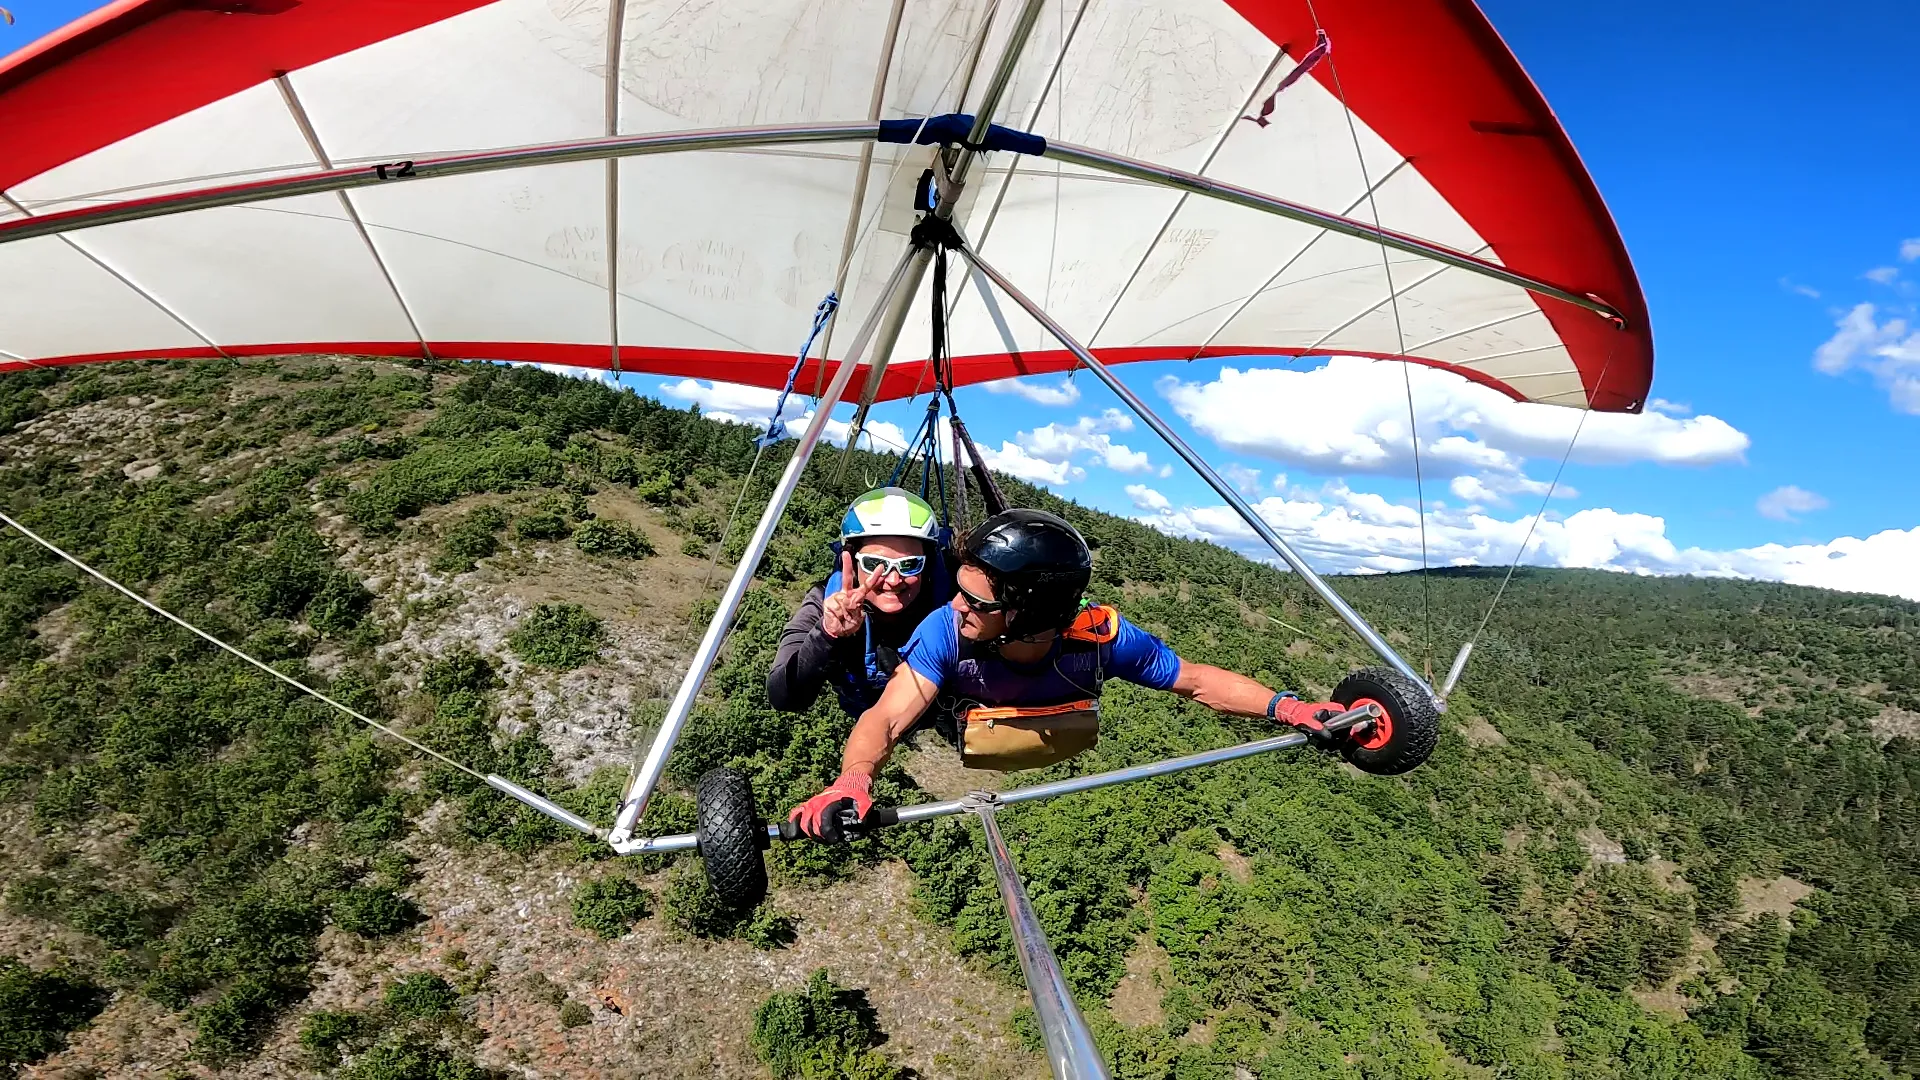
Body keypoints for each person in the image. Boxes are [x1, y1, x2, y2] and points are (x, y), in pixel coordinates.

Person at [788, 508, 1347, 840]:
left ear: (1027, 614)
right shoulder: (945, 629)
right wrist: (853, 780)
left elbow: (1196, 680)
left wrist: (1292, 709)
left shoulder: (1098, 638)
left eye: (975, 603)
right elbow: (884, 719)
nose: (955, 607)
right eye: (958, 591)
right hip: (966, 722)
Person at [766, 486, 954, 719]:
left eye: (909, 564)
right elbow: (783, 697)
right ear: (852, 563)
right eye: (875, 564)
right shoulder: (824, 603)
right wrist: (827, 634)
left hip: (931, 712)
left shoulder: (949, 600)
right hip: (865, 707)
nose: (893, 580)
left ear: (928, 565)